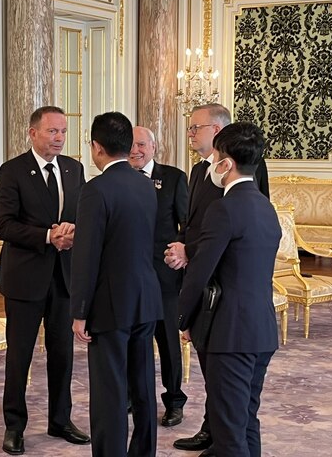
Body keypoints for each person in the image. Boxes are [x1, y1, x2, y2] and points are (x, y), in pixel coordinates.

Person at [166, 103, 269, 456]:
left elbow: (200, 271)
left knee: (227, 432)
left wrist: (184, 318)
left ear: (226, 163)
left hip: (229, 332)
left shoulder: (226, 208)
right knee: (246, 421)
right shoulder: (265, 207)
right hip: (261, 329)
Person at [0, 106, 90, 455]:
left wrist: (73, 231)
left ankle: (60, 420)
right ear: (33, 133)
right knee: (19, 356)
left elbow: (81, 214)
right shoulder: (13, 171)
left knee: (63, 354)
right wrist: (48, 236)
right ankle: (14, 426)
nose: (60, 138)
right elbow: (2, 224)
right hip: (25, 278)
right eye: (52, 131)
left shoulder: (74, 168)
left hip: (64, 277)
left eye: (63, 131)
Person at [71, 112, 163, 457]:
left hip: (110, 304)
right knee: (142, 386)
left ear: (97, 147)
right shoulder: (145, 184)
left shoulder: (95, 189)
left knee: (110, 392)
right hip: (146, 298)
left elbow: (87, 254)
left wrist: (79, 311)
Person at [128, 125, 188, 428]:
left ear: (154, 146)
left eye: (141, 144)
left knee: (167, 343)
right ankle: (131, 396)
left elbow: (187, 224)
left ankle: (174, 400)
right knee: (130, 340)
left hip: (164, 277)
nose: (135, 150)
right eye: (130, 145)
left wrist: (182, 250)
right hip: (129, 276)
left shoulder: (174, 178)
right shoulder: (119, 179)